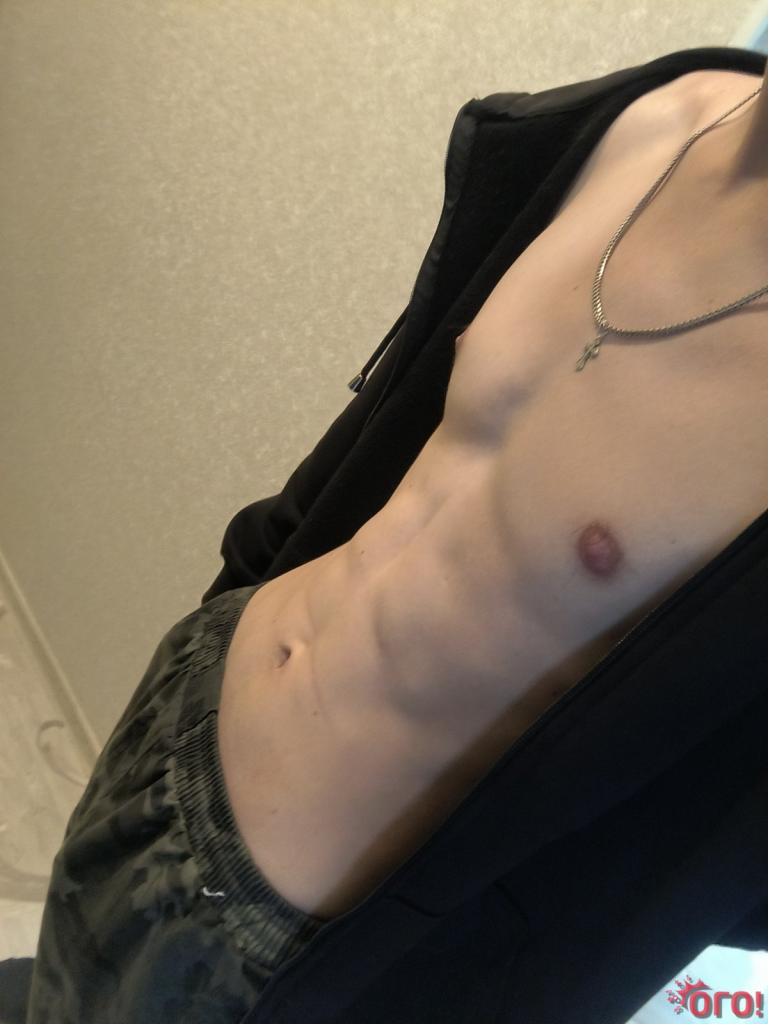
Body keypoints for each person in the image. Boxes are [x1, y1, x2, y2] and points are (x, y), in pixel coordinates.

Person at [20, 46, 768, 1024]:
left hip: (302, 949)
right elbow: (398, 431)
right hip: (184, 710)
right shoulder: (653, 115)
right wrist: (242, 575)